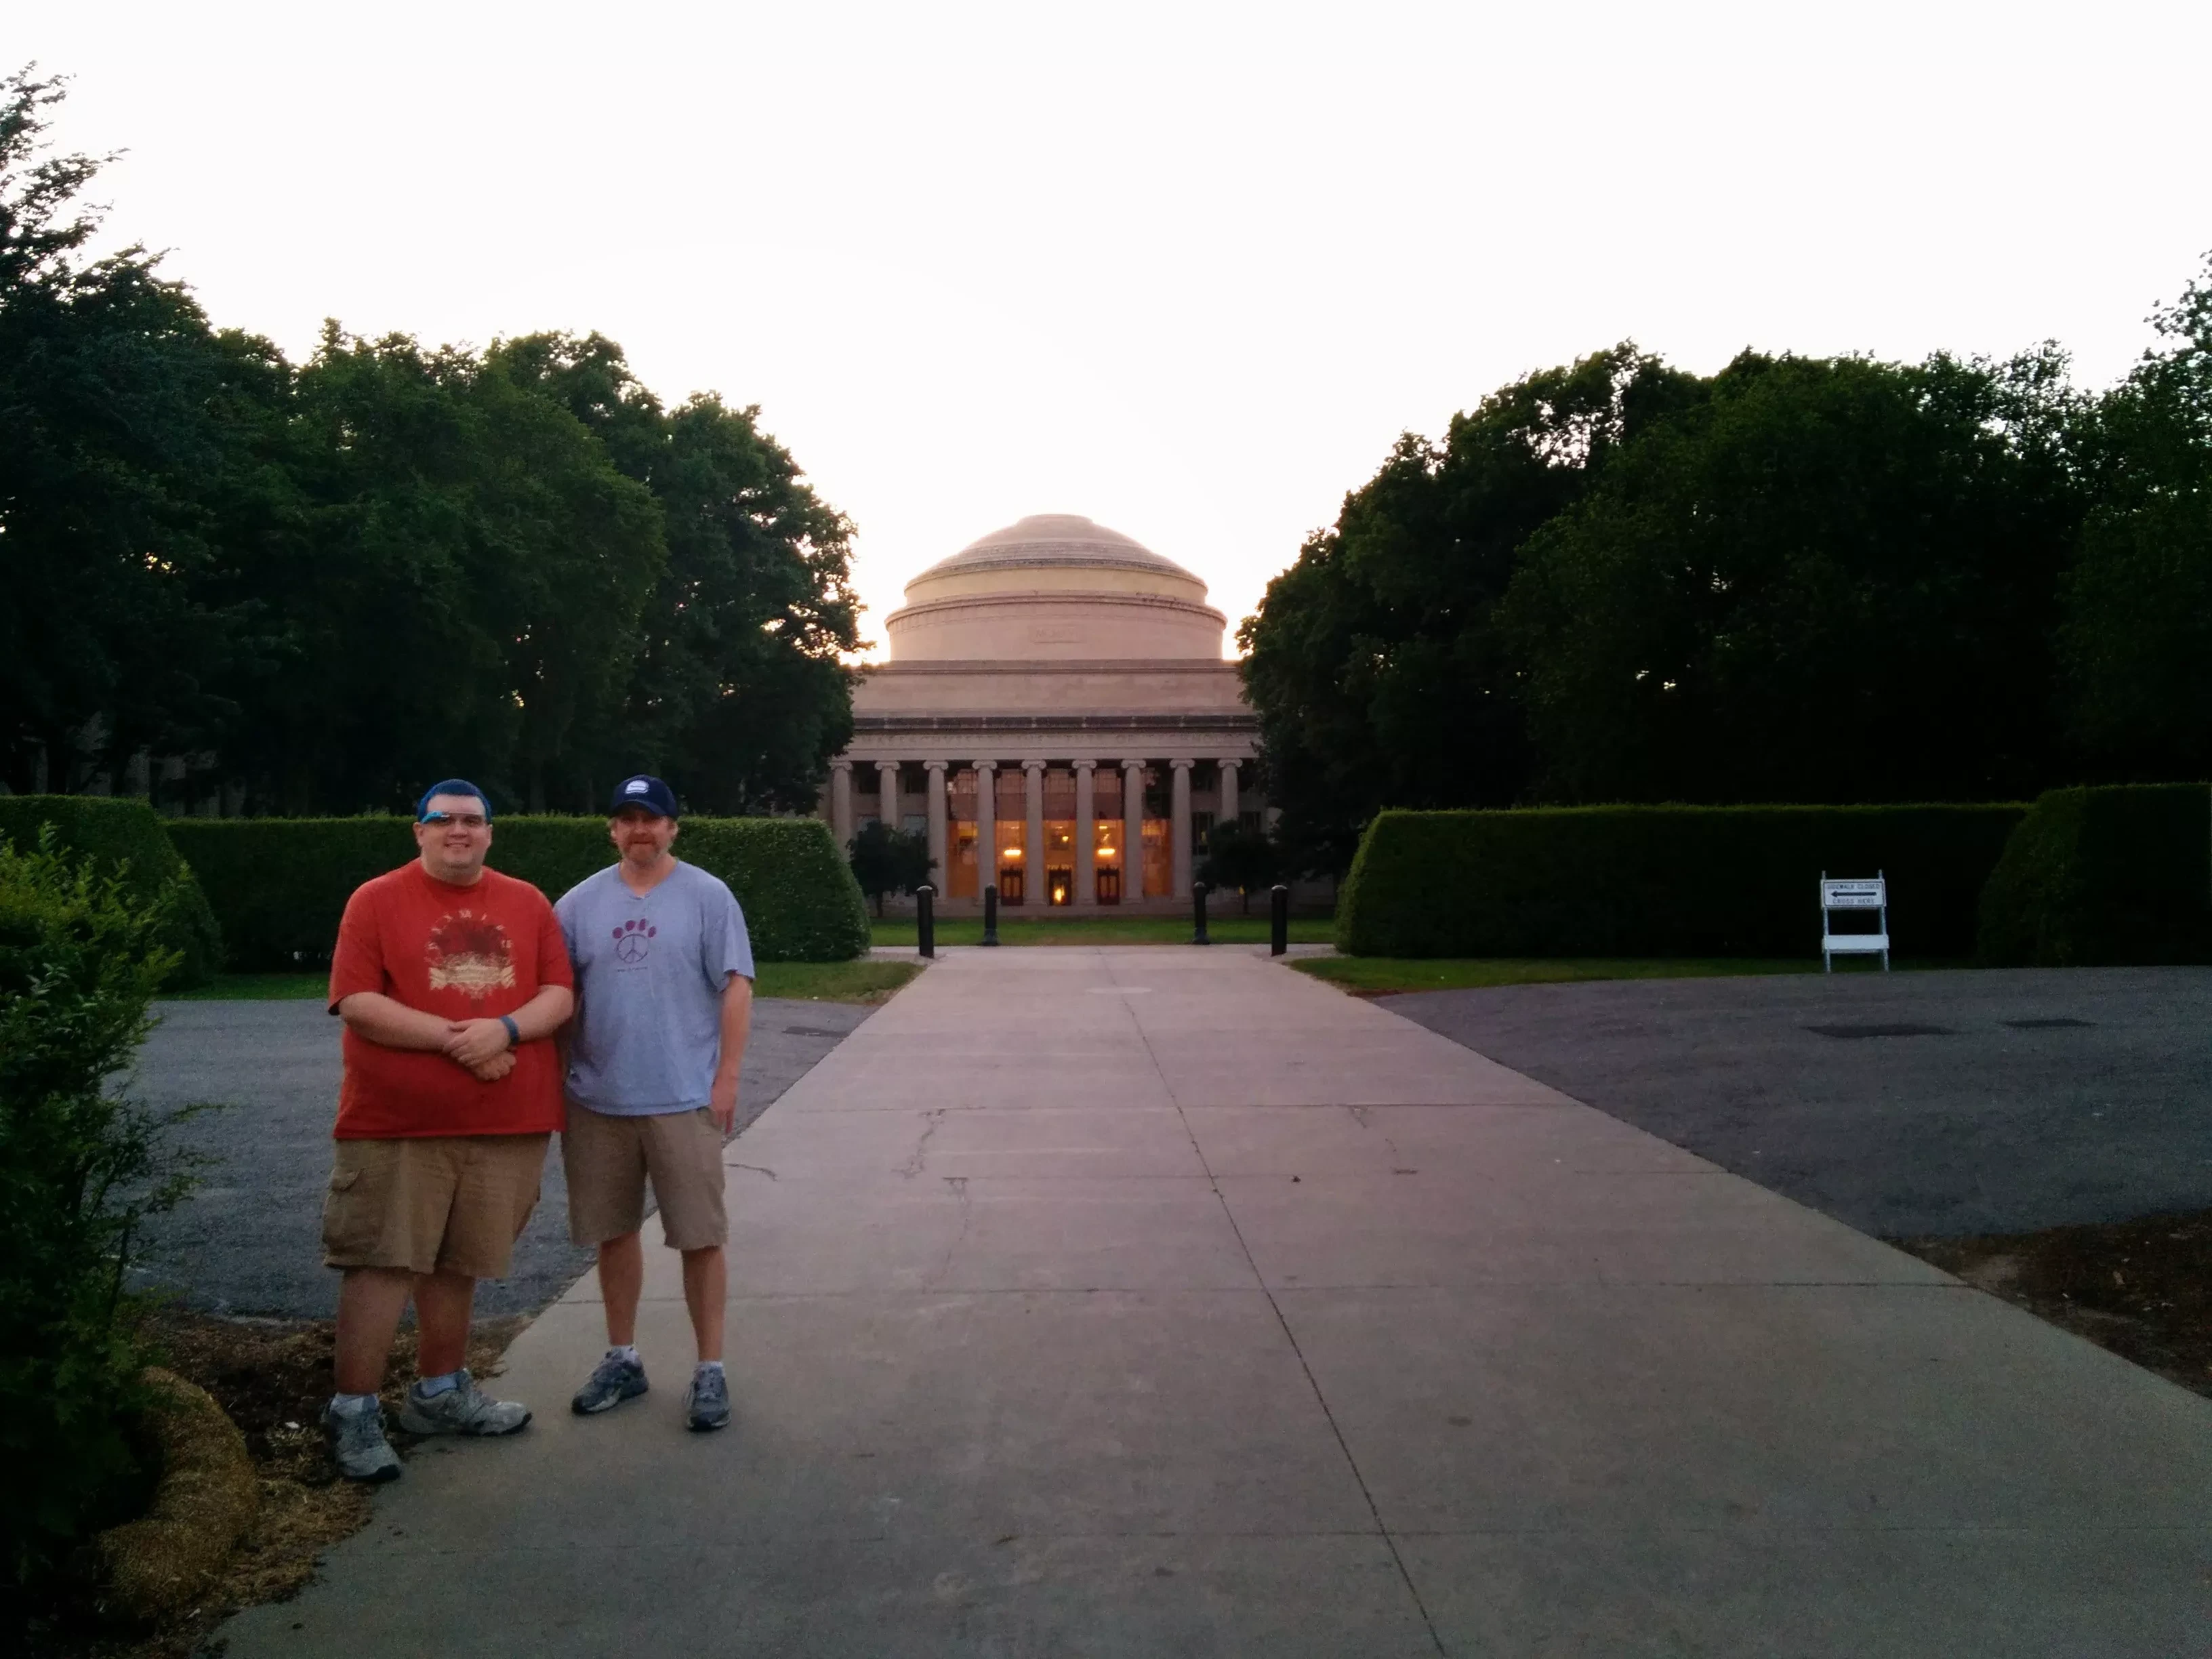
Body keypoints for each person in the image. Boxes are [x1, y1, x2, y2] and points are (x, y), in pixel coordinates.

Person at [320, 780, 575, 1482]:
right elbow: (358, 1001)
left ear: (490, 833)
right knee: (383, 1260)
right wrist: (458, 1041)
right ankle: (353, 1410)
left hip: (506, 1124)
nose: (458, 831)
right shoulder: (374, 900)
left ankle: (439, 1392)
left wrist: (506, 1029)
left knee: (460, 1261)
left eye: (472, 820)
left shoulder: (527, 902)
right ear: (420, 832)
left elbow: (559, 993)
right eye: (443, 820)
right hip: (397, 1125)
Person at [557, 774, 754, 1431]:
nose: (640, 829)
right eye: (627, 818)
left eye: (653, 818)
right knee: (612, 1234)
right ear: (612, 829)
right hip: (598, 1099)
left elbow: (736, 986)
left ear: (674, 827)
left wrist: (725, 1077)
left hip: (682, 1096)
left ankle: (711, 1369)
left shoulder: (707, 896)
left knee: (701, 1237)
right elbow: (560, 999)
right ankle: (623, 1358)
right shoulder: (578, 905)